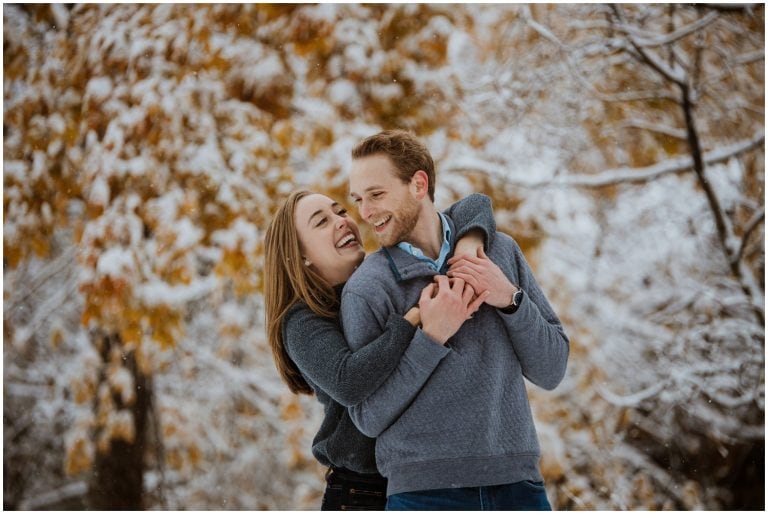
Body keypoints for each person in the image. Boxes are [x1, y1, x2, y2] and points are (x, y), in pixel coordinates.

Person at [341, 130, 570, 510]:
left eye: (376, 195)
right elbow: (368, 416)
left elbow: (552, 369)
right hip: (423, 493)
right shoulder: (368, 288)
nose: (365, 212)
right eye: (359, 200)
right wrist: (430, 340)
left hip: (517, 486)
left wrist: (509, 299)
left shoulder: (499, 251)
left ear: (418, 184)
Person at [263, 189, 497, 510]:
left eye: (340, 212)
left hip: (424, 478)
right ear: (300, 255)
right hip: (364, 491)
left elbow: (475, 203)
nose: (342, 222)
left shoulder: (381, 277)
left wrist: (468, 241)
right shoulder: (300, 320)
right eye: (321, 222)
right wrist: (416, 316)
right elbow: (350, 382)